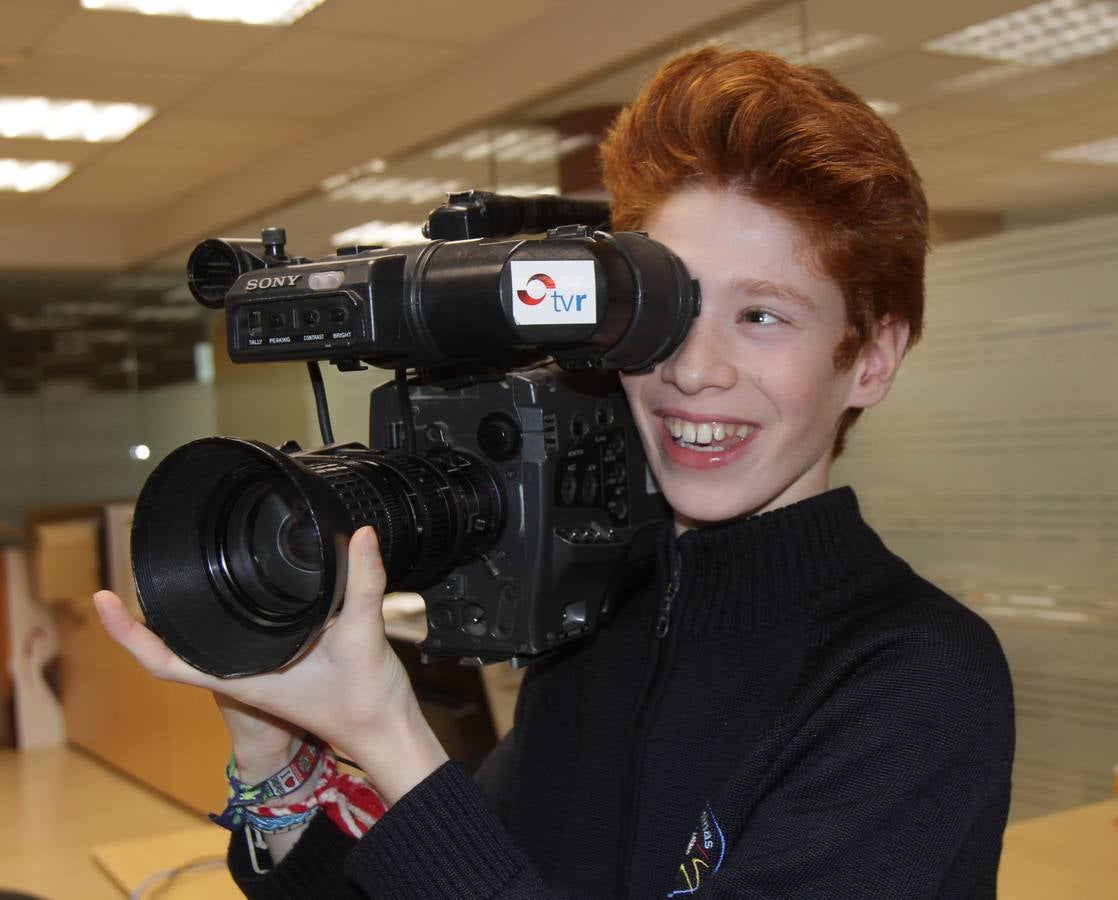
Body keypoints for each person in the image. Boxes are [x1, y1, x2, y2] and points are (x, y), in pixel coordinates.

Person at [94, 47, 1015, 898]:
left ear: (872, 358)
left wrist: (389, 732)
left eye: (763, 317)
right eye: (669, 310)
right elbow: (452, 875)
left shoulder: (920, 680)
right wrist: (274, 754)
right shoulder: (605, 616)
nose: (694, 370)